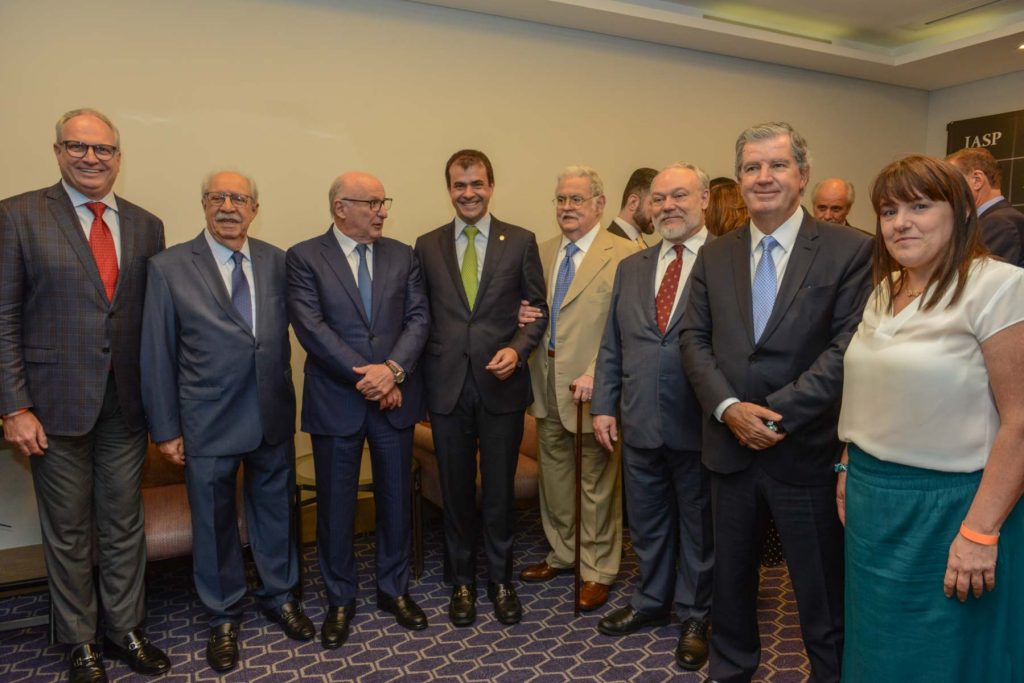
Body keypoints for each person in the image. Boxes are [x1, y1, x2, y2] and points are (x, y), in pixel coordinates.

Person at [680, 122, 873, 683]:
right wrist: (729, 409)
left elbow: (848, 348)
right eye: (752, 167)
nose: (763, 177)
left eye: (777, 165)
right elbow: (693, 340)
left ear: (803, 175)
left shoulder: (850, 250)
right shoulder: (715, 254)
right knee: (730, 591)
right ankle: (731, 672)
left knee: (821, 596)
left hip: (805, 452)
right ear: (739, 179)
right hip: (729, 449)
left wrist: (776, 414)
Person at [837, 154, 1024, 682]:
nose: (901, 222)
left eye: (919, 206)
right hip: (873, 504)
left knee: (944, 655)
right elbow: (873, 388)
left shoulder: (998, 286)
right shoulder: (885, 289)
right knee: (877, 650)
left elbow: (1020, 420)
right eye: (888, 211)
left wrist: (980, 533)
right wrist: (849, 462)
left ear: (961, 211)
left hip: (952, 508)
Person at [0, 108, 169, 682]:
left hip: (126, 404)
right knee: (69, 530)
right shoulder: (18, 215)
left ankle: (125, 629)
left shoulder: (147, 224)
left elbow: (150, 320)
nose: (91, 158)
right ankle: (80, 640)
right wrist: (14, 406)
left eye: (103, 149)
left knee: (123, 524)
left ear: (119, 158)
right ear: (58, 151)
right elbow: (3, 317)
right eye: (78, 146)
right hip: (53, 407)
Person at [141, 171, 313, 672]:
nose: (229, 206)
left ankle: (281, 596)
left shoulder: (278, 261)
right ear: (204, 204)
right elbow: (156, 352)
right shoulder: (169, 267)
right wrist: (166, 429)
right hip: (207, 419)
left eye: (239, 198)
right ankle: (222, 614)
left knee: (276, 512)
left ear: (255, 209)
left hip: (271, 413)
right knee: (214, 523)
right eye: (218, 197)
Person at [287, 172, 430, 648]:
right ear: (340, 207)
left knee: (395, 500)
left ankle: (394, 590)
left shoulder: (403, 255)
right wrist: (370, 378)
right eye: (372, 203)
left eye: (384, 202)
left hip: (394, 398)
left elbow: (418, 319)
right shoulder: (305, 257)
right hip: (337, 402)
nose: (382, 211)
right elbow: (311, 328)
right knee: (335, 506)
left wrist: (392, 371)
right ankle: (340, 599)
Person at [414, 150, 548, 626]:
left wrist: (518, 348)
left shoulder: (521, 241)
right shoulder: (426, 245)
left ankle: (501, 579)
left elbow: (537, 311)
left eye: (476, 184)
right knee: (455, 492)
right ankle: (462, 582)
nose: (468, 193)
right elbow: (419, 315)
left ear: (491, 186)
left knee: (498, 492)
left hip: (501, 386)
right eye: (459, 185)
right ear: (448, 189)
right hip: (446, 387)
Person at [592, 163, 714, 671]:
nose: (668, 207)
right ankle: (651, 600)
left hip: (700, 422)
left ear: (704, 199)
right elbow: (613, 343)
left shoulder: (726, 261)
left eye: (679, 195)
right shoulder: (633, 267)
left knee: (699, 527)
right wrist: (604, 403)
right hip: (639, 417)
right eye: (659, 198)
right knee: (647, 522)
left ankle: (696, 614)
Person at [522, 166, 635, 611]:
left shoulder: (624, 254)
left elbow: (624, 326)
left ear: (599, 204)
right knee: (554, 477)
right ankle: (563, 553)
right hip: (546, 380)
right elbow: (535, 312)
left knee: (597, 482)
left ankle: (597, 569)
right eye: (561, 199)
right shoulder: (542, 252)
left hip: (593, 384)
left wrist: (596, 373)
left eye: (576, 199)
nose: (566, 207)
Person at [946, 146, 1024, 266]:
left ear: (977, 180)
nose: (944, 191)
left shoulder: (1000, 223)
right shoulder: (993, 220)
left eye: (950, 182)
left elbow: (980, 276)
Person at [606, 167, 658, 249]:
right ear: (633, 202)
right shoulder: (605, 245)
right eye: (656, 202)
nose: (660, 211)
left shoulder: (641, 244)